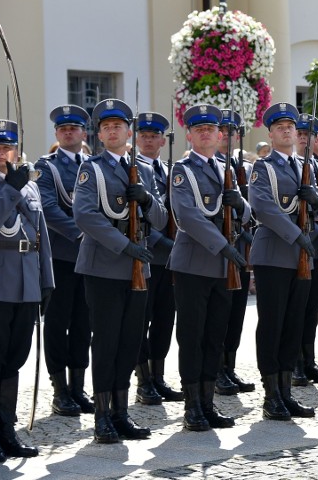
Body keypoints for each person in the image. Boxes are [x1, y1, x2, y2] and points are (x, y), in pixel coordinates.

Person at [73, 99, 168, 443]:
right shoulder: (92, 169)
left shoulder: (141, 169)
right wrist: (123, 245)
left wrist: (145, 199)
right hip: (104, 267)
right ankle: (102, 418)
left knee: (130, 342)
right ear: (99, 135)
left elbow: (159, 217)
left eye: (118, 126)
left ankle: (121, 412)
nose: (112, 131)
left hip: (138, 268)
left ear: (129, 131)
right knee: (107, 342)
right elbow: (85, 215)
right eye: (106, 127)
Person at [168, 104, 249, 431]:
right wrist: (224, 247)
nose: (205, 134)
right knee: (192, 335)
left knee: (216, 335)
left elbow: (246, 214)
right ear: (189, 135)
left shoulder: (226, 169)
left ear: (220, 135)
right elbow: (186, 216)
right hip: (194, 263)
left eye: (211, 129)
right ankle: (192, 408)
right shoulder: (182, 170)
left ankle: (208, 402)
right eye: (198, 129)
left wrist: (239, 204)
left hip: (222, 266)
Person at [249, 104, 318, 420]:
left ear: (298, 133)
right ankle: (271, 396)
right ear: (270, 133)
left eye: (291, 127)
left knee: (295, 324)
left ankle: (286, 391)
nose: (286, 131)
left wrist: (316, 200)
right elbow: (263, 208)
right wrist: (297, 236)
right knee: (273, 324)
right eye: (279, 127)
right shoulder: (263, 167)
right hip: (274, 255)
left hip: (301, 257)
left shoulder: (305, 167)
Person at [0, 118, 54, 462]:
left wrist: (47, 280)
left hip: (27, 283)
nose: (1, 152)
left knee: (14, 360)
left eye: (6, 146)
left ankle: (6, 429)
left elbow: (41, 236)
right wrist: (10, 188)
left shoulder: (30, 185)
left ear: (15, 148)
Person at [36, 105, 94, 417]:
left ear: (84, 133)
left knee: (84, 324)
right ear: (57, 134)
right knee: (58, 323)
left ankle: (78, 387)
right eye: (63, 129)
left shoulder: (94, 165)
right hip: (61, 255)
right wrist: (84, 234)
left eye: (74, 128)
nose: (68, 132)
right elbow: (48, 207)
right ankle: (60, 390)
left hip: (91, 258)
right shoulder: (47, 167)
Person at [133, 112, 183, 404]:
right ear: (138, 139)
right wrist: (159, 240)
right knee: (144, 318)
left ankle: (159, 375)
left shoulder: (170, 169)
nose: (149, 140)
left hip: (172, 257)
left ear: (163, 140)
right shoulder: (132, 169)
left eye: (154, 135)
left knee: (165, 318)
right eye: (145, 135)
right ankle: (143, 380)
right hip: (147, 253)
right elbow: (135, 218)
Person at [290, 112, 318, 387]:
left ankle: (309, 359)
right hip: (299, 246)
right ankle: (294, 362)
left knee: (313, 309)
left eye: (311, 136)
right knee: (296, 308)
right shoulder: (293, 167)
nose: (306, 140)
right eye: (302, 135)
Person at [213, 110, 256, 396]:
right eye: (224, 132)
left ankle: (229, 367)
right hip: (217, 252)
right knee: (219, 315)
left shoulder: (247, 170)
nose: (229, 137)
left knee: (237, 315)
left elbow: (255, 211)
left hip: (241, 250)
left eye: (233, 132)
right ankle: (215, 371)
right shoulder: (208, 166)